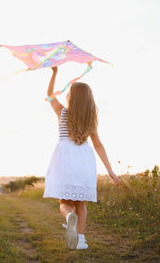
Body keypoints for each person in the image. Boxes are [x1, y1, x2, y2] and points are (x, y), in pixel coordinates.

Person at [43, 66, 120, 250]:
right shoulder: (90, 120)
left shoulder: (62, 112)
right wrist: (110, 170)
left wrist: (54, 72)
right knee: (81, 204)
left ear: (71, 98)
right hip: (85, 162)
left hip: (65, 160)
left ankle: (69, 217)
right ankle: (82, 240)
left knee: (65, 203)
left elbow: (49, 96)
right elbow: (99, 145)